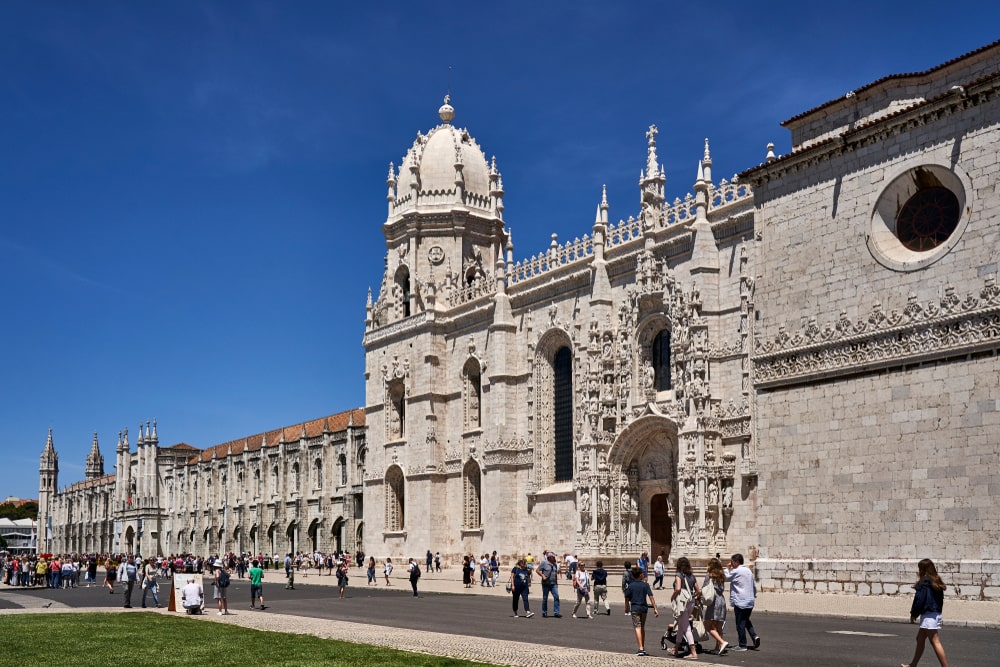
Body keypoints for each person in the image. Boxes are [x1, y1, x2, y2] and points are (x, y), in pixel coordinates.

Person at [902, 558, 949, 667]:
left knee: (935, 641)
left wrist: (914, 613)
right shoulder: (936, 581)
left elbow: (919, 600)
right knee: (920, 638)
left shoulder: (924, 582)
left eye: (919, 569)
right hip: (935, 613)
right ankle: (913, 664)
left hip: (928, 615)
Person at [669, 556, 702, 659]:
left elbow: (678, 588)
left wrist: (673, 597)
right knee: (682, 627)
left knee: (686, 628)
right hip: (691, 602)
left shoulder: (679, 575)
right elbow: (698, 590)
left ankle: (693, 652)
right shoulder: (692, 576)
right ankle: (676, 648)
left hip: (682, 603)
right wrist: (696, 597)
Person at [724, 553, 759, 652]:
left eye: (732, 562)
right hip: (750, 600)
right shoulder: (748, 570)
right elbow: (753, 585)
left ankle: (742, 644)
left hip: (741, 601)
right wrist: (754, 595)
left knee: (740, 623)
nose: (731, 564)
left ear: (736, 562)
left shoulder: (737, 571)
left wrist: (727, 569)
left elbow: (726, 578)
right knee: (746, 620)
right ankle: (754, 636)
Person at [624, 565, 659, 656]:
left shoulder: (630, 586)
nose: (643, 575)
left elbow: (627, 598)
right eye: (642, 573)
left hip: (635, 608)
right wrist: (655, 608)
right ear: (640, 575)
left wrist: (626, 607)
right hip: (644, 608)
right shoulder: (645, 585)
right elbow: (651, 597)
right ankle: (642, 647)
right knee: (642, 627)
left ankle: (641, 648)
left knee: (637, 627)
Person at [702, 557, 728, 655]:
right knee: (718, 626)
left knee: (707, 625)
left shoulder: (709, 575)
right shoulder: (722, 575)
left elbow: (704, 588)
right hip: (722, 600)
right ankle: (718, 648)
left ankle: (722, 642)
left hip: (714, 601)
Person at [535, 553, 561, 617]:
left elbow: (555, 574)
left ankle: (556, 612)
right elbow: (537, 570)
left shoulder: (555, 564)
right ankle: (544, 612)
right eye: (553, 557)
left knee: (556, 597)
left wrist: (556, 583)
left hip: (553, 584)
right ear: (549, 557)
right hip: (546, 583)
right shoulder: (544, 563)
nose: (554, 558)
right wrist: (542, 575)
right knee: (545, 598)